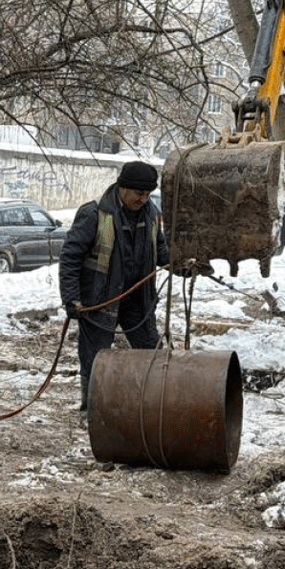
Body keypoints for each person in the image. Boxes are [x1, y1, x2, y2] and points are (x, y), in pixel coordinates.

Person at [59, 160, 172, 424]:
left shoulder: (152, 215)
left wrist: (180, 264)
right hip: (100, 300)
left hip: (138, 301)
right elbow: (70, 257)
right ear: (123, 188)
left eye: (147, 195)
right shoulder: (95, 214)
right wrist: (71, 298)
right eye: (138, 194)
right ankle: (92, 410)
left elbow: (162, 252)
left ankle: (153, 404)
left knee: (150, 350)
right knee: (96, 358)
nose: (143, 200)